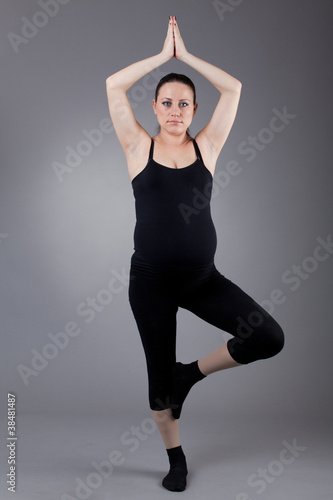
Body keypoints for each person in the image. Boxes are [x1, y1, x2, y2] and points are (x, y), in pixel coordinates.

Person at [106, 16, 284, 492]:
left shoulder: (208, 145)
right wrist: (162, 58)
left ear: (194, 108)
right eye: (167, 102)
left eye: (184, 103)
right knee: (157, 385)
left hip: (203, 280)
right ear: (156, 106)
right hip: (150, 284)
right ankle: (176, 458)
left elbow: (235, 88)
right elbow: (112, 85)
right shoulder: (137, 147)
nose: (176, 111)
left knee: (268, 336)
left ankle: (193, 374)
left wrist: (186, 58)